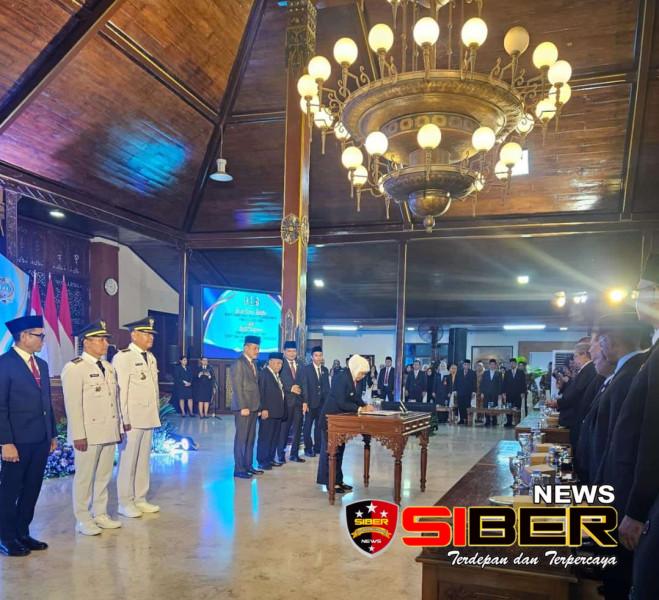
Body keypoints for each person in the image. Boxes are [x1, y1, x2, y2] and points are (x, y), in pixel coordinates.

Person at [599, 255, 659, 600]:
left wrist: (635, 508)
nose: (637, 297)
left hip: (644, 499)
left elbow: (652, 434)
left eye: (643, 290)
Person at [0, 315, 57, 557]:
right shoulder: (4, 364)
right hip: (17, 441)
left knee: (32, 489)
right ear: (24, 336)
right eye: (39, 335)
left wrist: (52, 434)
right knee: (10, 490)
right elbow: (1, 406)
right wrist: (5, 442)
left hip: (40, 439)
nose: (43, 339)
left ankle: (22, 532)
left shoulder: (41, 365)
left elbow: (47, 403)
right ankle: (6, 537)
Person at [61, 320, 122, 536]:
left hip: (108, 430)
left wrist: (118, 428)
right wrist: (78, 434)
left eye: (106, 339)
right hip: (88, 433)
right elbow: (73, 405)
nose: (105, 344)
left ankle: (100, 513)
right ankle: (83, 518)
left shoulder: (108, 367)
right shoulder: (75, 368)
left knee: (104, 476)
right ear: (87, 342)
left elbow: (114, 401)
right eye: (101, 339)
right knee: (85, 479)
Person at [113, 317, 161, 518]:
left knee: (143, 461)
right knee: (128, 462)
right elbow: (121, 391)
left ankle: (140, 498)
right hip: (132, 419)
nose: (150, 337)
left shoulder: (151, 357)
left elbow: (154, 390)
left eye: (151, 334)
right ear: (134, 335)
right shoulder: (123, 357)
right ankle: (125, 502)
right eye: (146, 333)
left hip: (148, 417)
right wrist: (123, 420)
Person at [316, 354, 374, 494]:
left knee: (339, 451)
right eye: (361, 373)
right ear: (356, 368)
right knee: (330, 452)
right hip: (330, 420)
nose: (362, 376)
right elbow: (341, 402)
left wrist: (365, 406)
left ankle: (338, 480)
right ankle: (330, 483)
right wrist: (360, 409)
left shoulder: (352, 377)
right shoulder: (341, 377)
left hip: (340, 421)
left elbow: (355, 397)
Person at [549, 338, 597, 447]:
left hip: (579, 417)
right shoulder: (585, 370)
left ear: (584, 354)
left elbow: (575, 393)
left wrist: (558, 403)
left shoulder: (588, 370)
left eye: (575, 356)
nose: (574, 360)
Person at [230, 335, 262, 479]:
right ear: (246, 348)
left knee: (250, 439)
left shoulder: (253, 363)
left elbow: (255, 387)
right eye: (255, 348)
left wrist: (258, 407)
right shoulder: (239, 363)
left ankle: (248, 466)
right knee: (241, 439)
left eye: (258, 348)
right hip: (243, 408)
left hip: (253, 407)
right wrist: (243, 406)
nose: (257, 351)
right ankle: (239, 468)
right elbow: (237, 387)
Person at [278, 341, 308, 463]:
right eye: (289, 351)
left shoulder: (301, 364)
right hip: (285, 402)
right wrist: (290, 388)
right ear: (284, 352)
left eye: (294, 351)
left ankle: (294, 454)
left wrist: (305, 402)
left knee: (297, 429)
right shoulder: (280, 363)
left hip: (299, 403)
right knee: (284, 430)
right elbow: (277, 381)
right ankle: (280, 454)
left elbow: (305, 384)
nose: (292, 353)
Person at [256, 352, 286, 470]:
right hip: (267, 412)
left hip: (277, 412)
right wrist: (263, 408)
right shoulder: (264, 374)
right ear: (270, 362)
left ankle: (270, 459)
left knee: (274, 437)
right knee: (265, 438)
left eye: (281, 364)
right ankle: (262, 461)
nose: (279, 366)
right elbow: (260, 392)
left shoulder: (276, 375)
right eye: (277, 363)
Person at [301, 346, 330, 458]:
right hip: (310, 404)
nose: (318, 358)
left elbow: (327, 388)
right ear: (312, 357)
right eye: (316, 355)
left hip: (322, 405)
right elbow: (304, 387)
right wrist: (305, 402)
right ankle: (308, 449)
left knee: (319, 427)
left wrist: (327, 404)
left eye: (320, 355)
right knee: (307, 428)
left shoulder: (325, 370)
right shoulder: (306, 369)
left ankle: (318, 448)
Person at [503, 358, 527, 427]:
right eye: (511, 363)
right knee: (509, 408)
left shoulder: (521, 372)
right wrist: (504, 393)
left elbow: (523, 383)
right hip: (509, 394)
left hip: (518, 394)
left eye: (513, 363)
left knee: (517, 408)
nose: (512, 364)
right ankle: (509, 422)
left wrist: (523, 392)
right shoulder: (507, 372)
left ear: (516, 364)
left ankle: (517, 422)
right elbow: (504, 383)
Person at [480, 359, 503, 427]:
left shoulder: (499, 373)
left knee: (494, 406)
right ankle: (487, 420)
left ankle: (494, 420)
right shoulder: (485, 373)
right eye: (491, 364)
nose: (492, 366)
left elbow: (500, 384)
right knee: (486, 406)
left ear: (495, 365)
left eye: (493, 364)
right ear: (489, 365)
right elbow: (482, 383)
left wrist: (500, 394)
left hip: (495, 393)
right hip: (486, 393)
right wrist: (482, 392)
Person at [455, 359, 477, 424]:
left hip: (468, 392)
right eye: (465, 364)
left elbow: (474, 383)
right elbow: (455, 382)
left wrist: (474, 392)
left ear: (469, 365)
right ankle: (461, 419)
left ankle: (467, 419)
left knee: (467, 406)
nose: (466, 366)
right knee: (460, 406)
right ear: (463, 365)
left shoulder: (472, 373)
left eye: (467, 365)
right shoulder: (459, 372)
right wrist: (455, 390)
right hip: (460, 392)